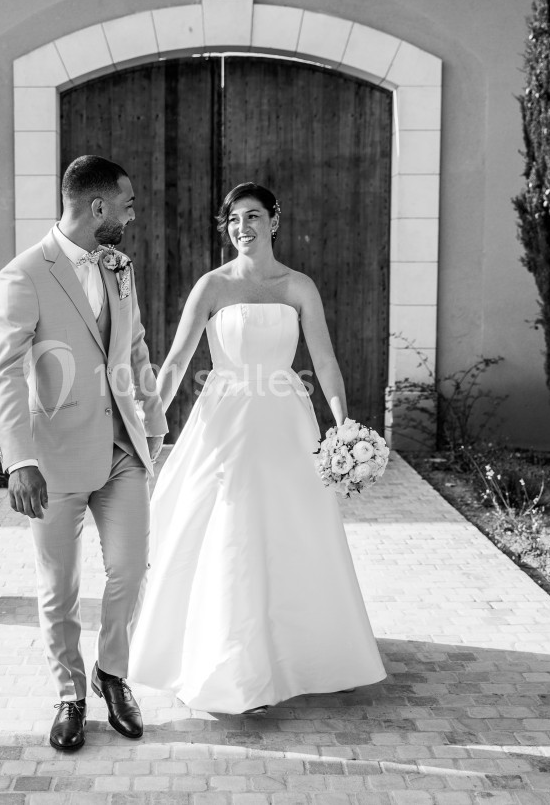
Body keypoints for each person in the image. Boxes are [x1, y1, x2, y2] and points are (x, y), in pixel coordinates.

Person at [128, 182, 386, 714]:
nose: (241, 227)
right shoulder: (211, 287)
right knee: (230, 526)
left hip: (287, 420)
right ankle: (228, 662)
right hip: (225, 418)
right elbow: (175, 364)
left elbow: (326, 361)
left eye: (251, 216)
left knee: (293, 529)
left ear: (273, 220)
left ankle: (304, 655)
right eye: (232, 220)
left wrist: (343, 426)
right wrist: (147, 426)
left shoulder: (299, 287)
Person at [0, 155, 167, 751]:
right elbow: (6, 375)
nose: (133, 213)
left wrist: (154, 413)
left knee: (130, 570)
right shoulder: (23, 274)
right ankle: (69, 693)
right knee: (59, 586)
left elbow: (135, 344)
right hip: (54, 458)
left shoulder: (120, 268)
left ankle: (111, 674)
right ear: (98, 208)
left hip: (122, 450)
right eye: (128, 203)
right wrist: (19, 460)